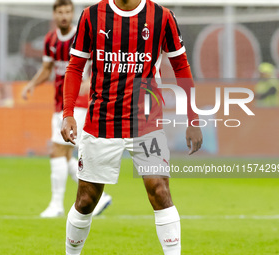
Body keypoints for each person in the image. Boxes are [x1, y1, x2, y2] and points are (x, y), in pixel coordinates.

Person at [61, 0, 203, 254]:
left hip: (146, 123)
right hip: (102, 123)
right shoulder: (91, 16)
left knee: (159, 191)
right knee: (85, 201)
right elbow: (75, 67)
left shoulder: (162, 17)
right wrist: (68, 113)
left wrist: (193, 119)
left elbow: (181, 66)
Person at [21, 0, 112, 218]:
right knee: (65, 155)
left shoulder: (82, 35)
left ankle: (56, 205)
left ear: (72, 14)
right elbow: (47, 69)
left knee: (57, 151)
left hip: (79, 103)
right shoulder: (50, 39)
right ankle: (99, 198)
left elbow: (100, 62)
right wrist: (32, 85)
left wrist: (90, 81)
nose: (64, 16)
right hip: (59, 104)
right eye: (60, 12)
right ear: (54, 14)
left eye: (68, 12)